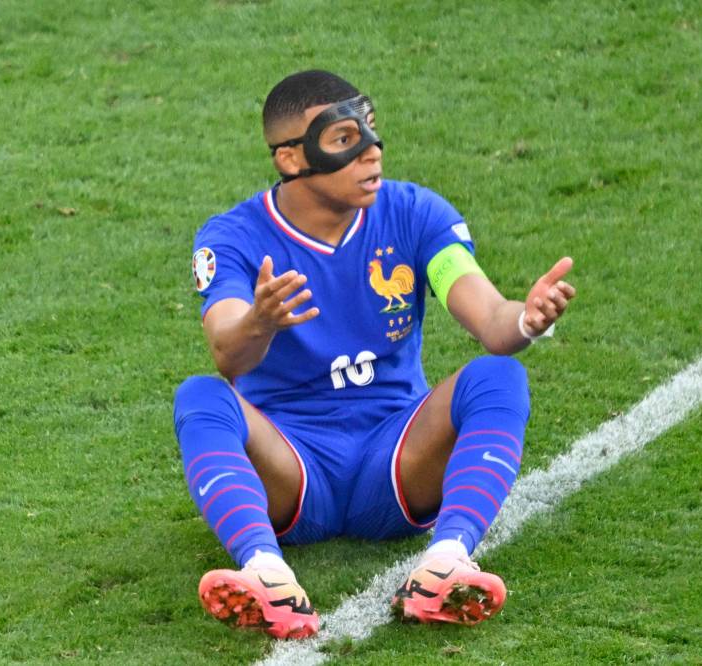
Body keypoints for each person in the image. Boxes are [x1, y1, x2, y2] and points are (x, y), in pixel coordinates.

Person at [174, 70, 575, 639]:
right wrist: (259, 321)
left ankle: (445, 563)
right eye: (344, 140)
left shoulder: (415, 214)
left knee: (498, 376)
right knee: (201, 396)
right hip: (292, 465)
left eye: (371, 131)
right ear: (291, 159)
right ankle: (266, 570)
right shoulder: (233, 237)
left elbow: (490, 321)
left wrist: (525, 320)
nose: (371, 153)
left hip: (395, 459)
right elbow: (226, 353)